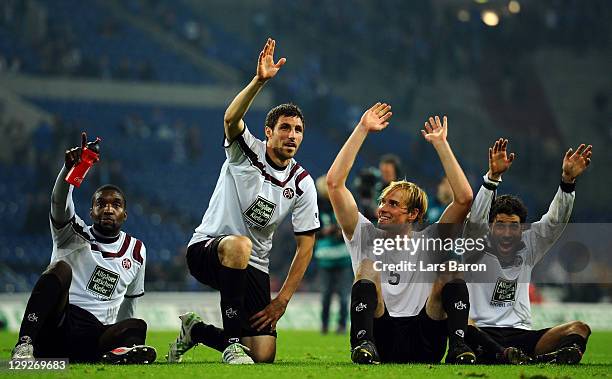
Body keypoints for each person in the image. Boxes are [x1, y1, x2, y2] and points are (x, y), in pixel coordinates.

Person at [167, 38, 320, 365]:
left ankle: (197, 331)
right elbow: (230, 119)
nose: (292, 135)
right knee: (239, 246)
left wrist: (283, 300)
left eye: (298, 130)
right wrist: (259, 81)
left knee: (263, 354)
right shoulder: (244, 152)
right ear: (268, 131)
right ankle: (232, 343)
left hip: (255, 267)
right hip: (208, 249)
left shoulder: (303, 183)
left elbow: (306, 248)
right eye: (285, 128)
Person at [326, 106, 476, 364]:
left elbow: (464, 199)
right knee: (367, 268)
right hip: (380, 340)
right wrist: (362, 129)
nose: (382, 208)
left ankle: (459, 347)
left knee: (450, 270)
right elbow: (334, 184)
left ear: (413, 214)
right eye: (383, 202)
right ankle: (362, 343)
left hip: (425, 340)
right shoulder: (364, 234)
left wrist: (441, 144)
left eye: (393, 204)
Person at [11, 133, 155, 364]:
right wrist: (69, 171)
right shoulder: (71, 233)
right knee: (60, 269)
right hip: (59, 324)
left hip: (95, 336)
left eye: (116, 204)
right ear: (91, 212)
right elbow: (59, 203)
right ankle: (25, 343)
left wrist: (126, 337)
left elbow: (130, 301)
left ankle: (116, 352)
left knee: (136, 326)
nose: (108, 209)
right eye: (101, 204)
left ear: (125, 215)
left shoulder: (137, 250)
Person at [463, 138, 593, 364]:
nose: (506, 232)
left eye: (513, 226)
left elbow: (554, 222)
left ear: (521, 228)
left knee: (579, 328)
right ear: (490, 226)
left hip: (521, 335)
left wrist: (567, 181)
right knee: (462, 324)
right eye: (500, 225)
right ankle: (508, 355)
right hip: (483, 332)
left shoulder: (529, 245)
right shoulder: (476, 246)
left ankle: (544, 357)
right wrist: (492, 179)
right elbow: (475, 220)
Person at [314, 176, 352, 334]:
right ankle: (325, 325)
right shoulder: (315, 207)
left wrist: (341, 232)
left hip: (342, 258)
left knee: (343, 296)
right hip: (325, 259)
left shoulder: (343, 205)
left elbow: (352, 228)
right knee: (327, 296)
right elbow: (311, 232)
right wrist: (324, 232)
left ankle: (342, 325)